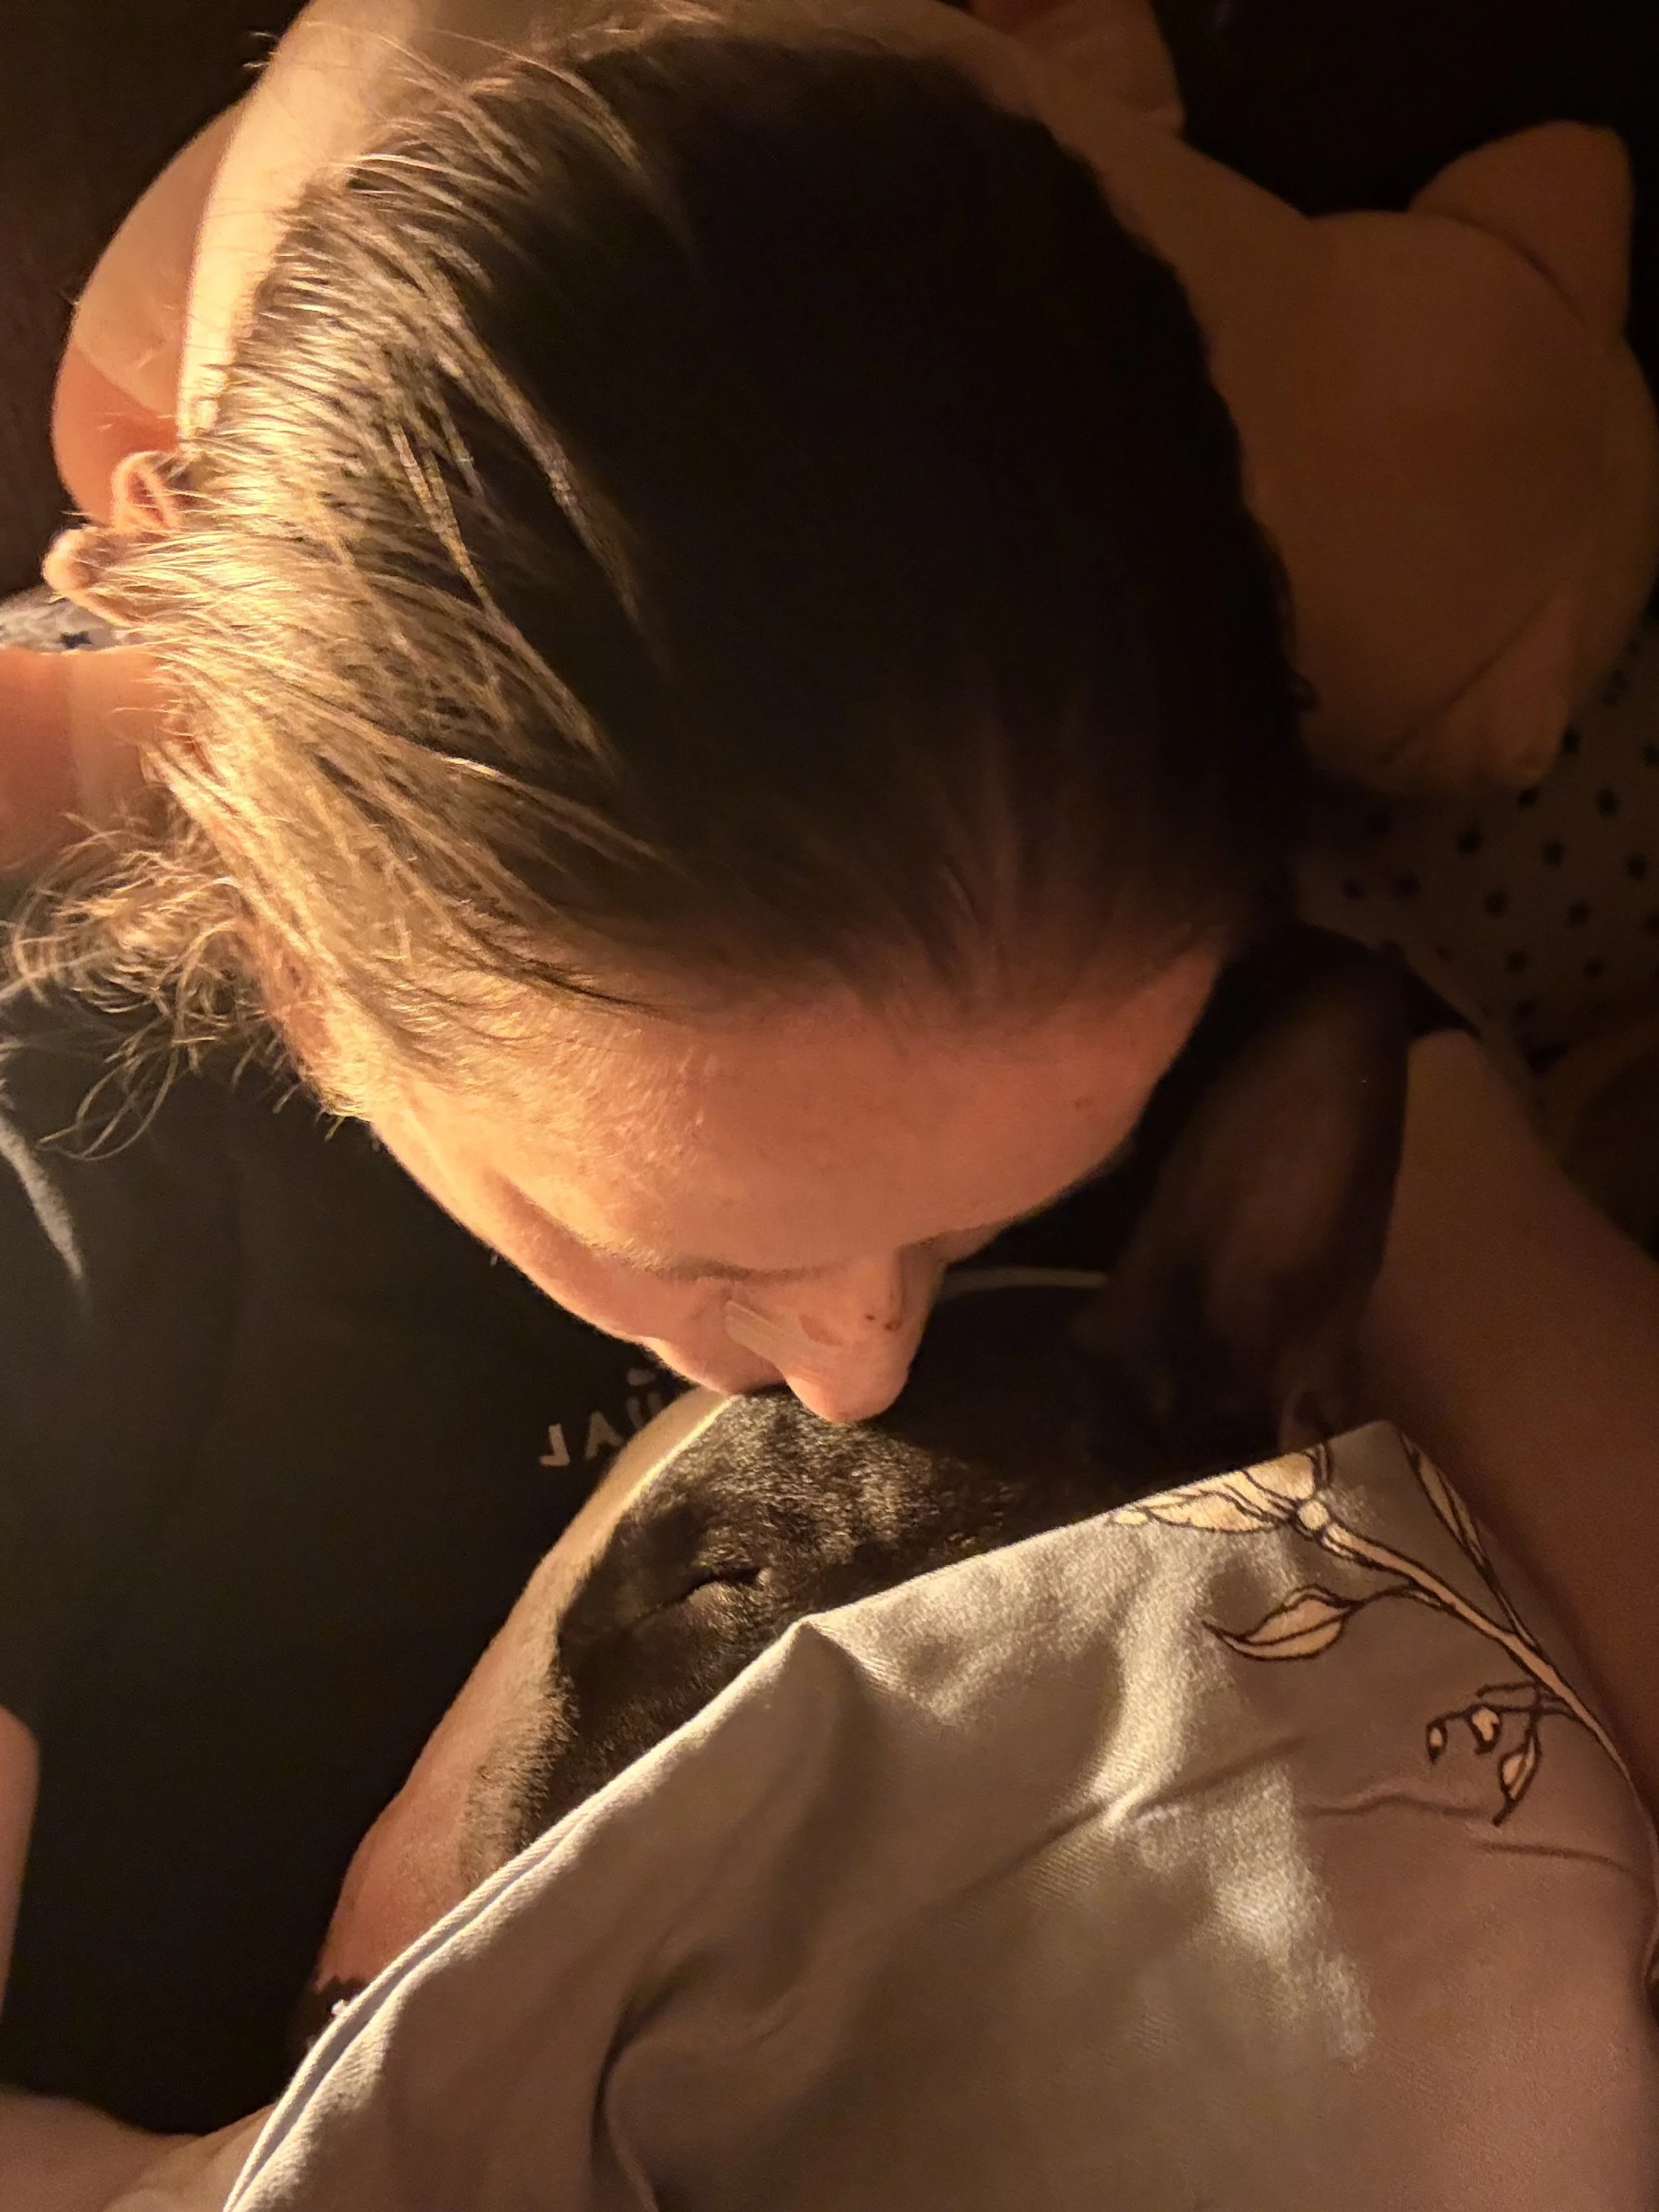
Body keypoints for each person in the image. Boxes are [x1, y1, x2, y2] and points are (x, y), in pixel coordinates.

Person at [9, 1, 1659, 2205]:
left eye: (1004, 1204)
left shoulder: (1245, 1060)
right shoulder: (70, 1200)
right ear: (306, 950)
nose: (864, 1361)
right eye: (701, 1246)